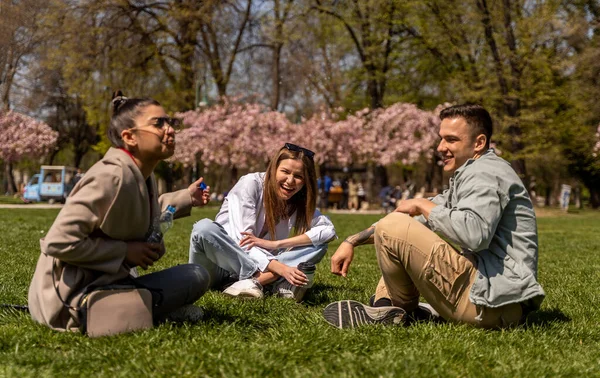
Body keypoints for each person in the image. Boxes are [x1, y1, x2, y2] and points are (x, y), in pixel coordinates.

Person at [325, 104, 545, 329]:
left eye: (451, 140)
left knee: (394, 227)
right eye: (441, 139)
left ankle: (397, 312)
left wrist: (421, 203)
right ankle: (386, 308)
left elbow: (475, 235)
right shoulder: (470, 173)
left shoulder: (485, 173)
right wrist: (351, 240)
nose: (441, 147)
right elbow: (413, 220)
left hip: (492, 304)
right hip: (490, 299)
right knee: (394, 230)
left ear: (479, 142)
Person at [28, 91, 212, 334]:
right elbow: (57, 243)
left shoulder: (139, 173)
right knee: (195, 276)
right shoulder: (111, 176)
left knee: (196, 275)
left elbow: (143, 208)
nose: (170, 130)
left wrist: (187, 197)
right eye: (158, 123)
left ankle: (143, 306)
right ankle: (147, 309)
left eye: (170, 122)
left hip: (104, 282)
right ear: (129, 137)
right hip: (70, 302)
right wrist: (126, 251)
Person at [189, 143, 336, 302]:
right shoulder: (250, 183)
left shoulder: (297, 201)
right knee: (203, 228)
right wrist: (281, 268)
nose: (290, 181)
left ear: (306, 181)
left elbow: (328, 230)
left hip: (262, 264)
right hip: (219, 265)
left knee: (318, 243)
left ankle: (255, 282)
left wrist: (276, 244)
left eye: (299, 176)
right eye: (285, 172)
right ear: (273, 169)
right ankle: (271, 280)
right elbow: (243, 241)